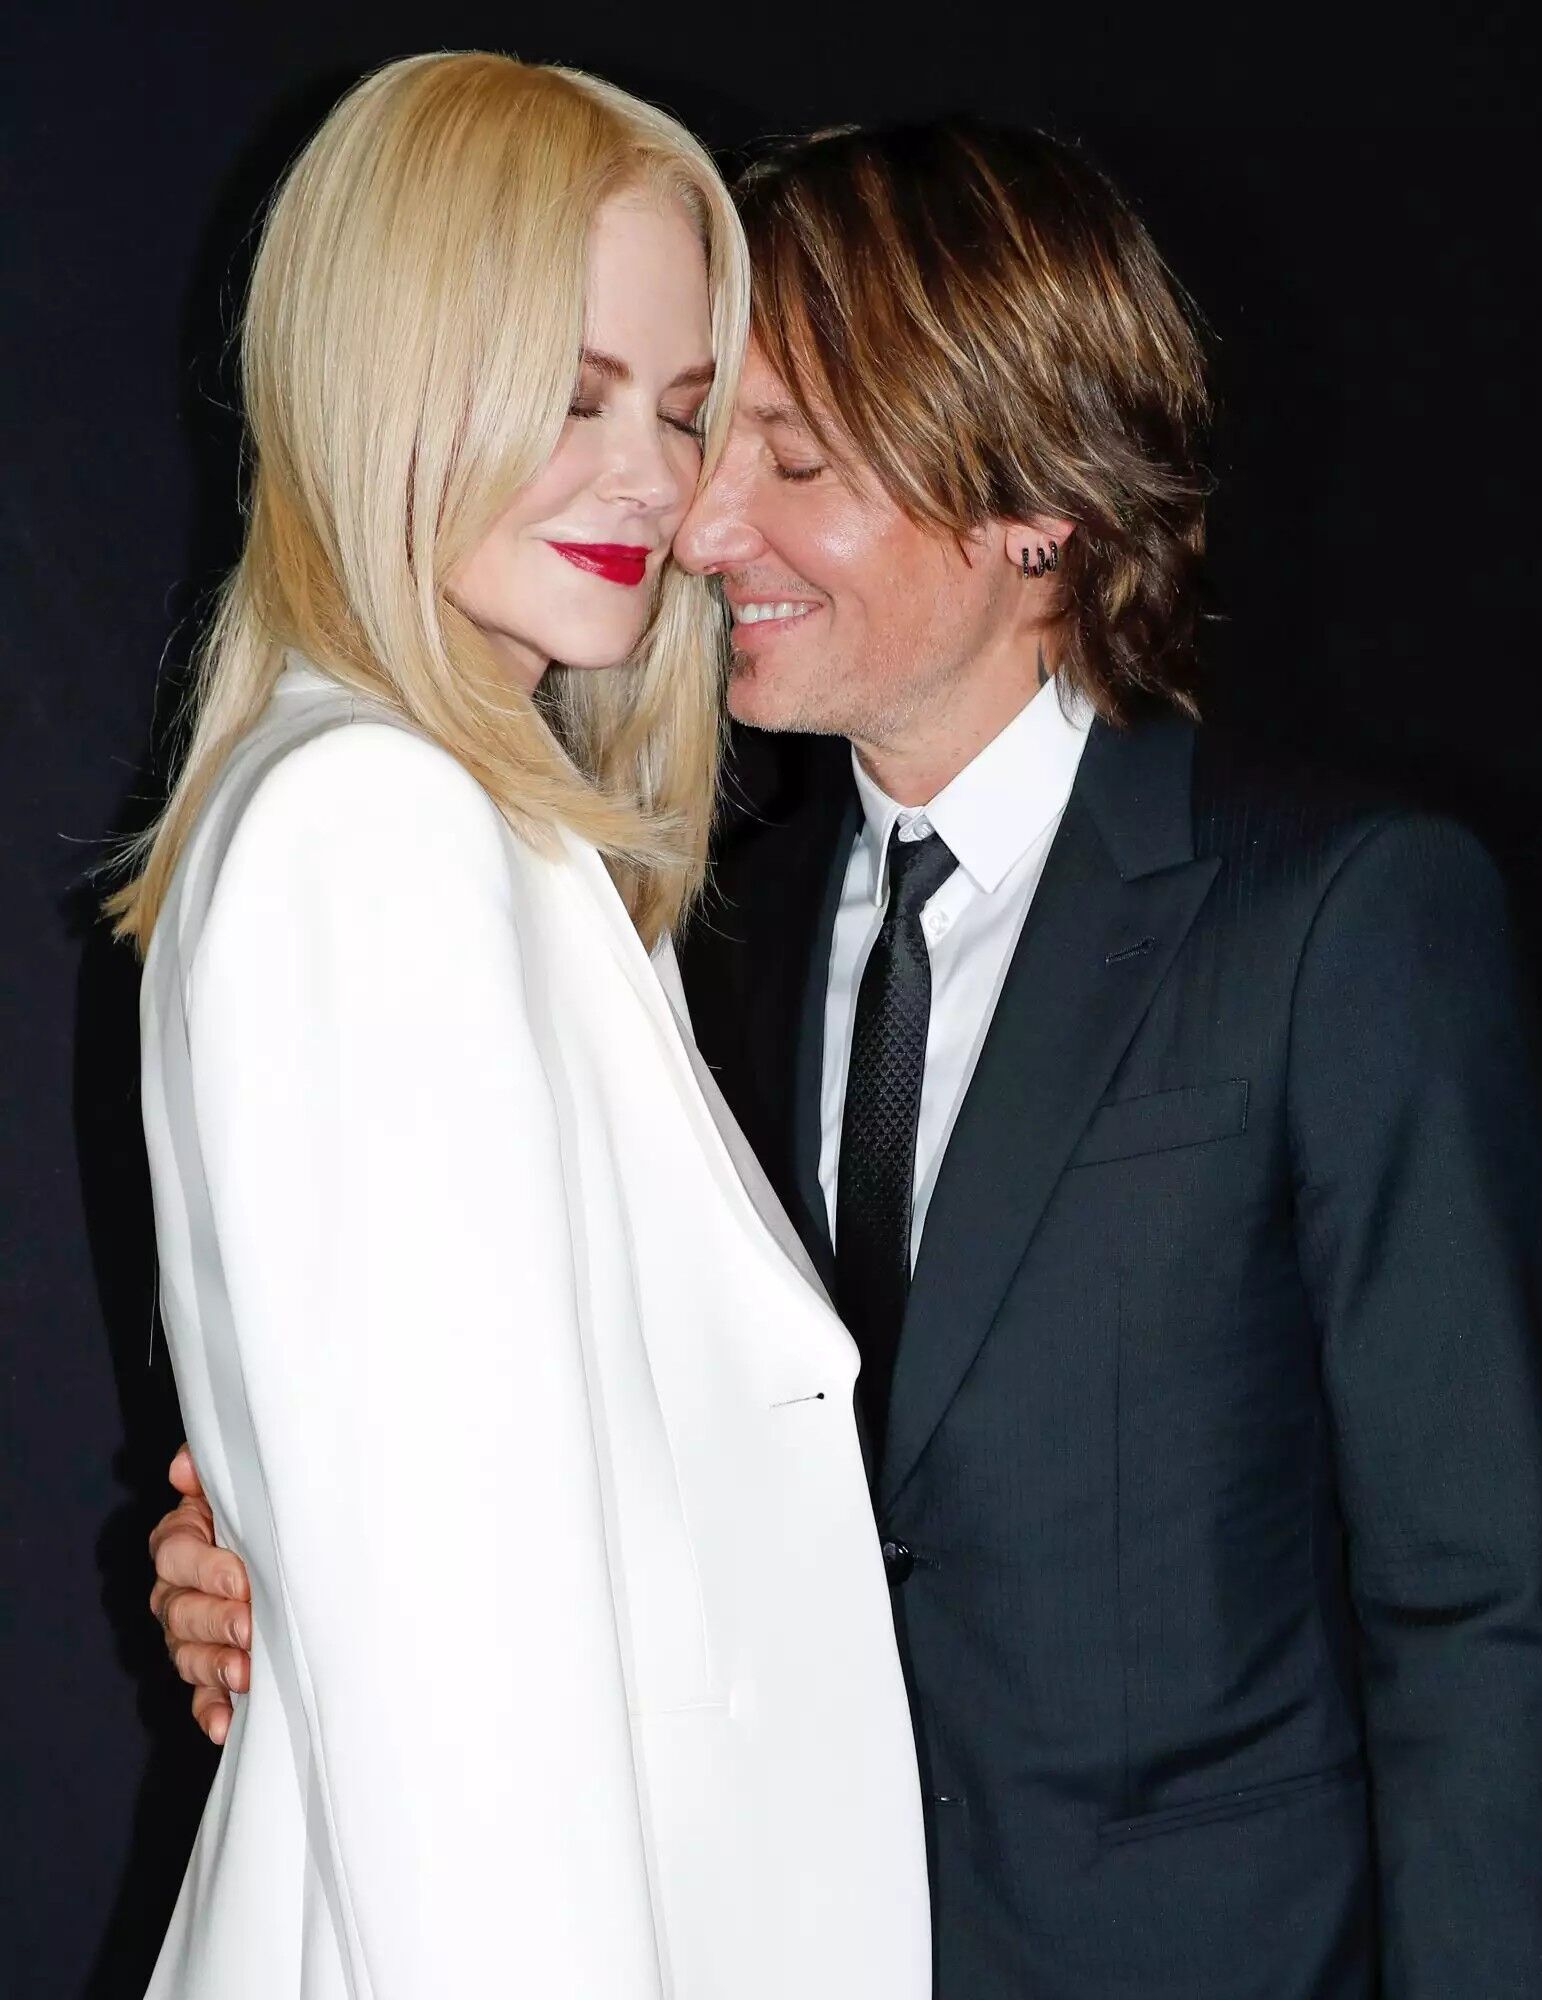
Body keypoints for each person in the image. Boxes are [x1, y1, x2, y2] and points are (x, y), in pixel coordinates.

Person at [149, 117, 1542, 1996]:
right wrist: (296, 1554)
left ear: (1035, 507)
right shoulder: (670, 941)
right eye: (701, 434)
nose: (698, 522)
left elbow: (1481, 1619)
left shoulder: (1343, 922)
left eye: (783, 457)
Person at [120, 55, 929, 2000]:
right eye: (569, 397)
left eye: (677, 406)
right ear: (393, 371)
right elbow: (458, 1679)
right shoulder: (379, 834)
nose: (652, 480)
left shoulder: (462, 824)